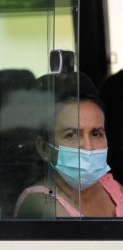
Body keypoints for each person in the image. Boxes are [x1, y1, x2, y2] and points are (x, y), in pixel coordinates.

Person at [14, 73, 123, 218]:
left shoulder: (112, 188)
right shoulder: (43, 204)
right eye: (72, 134)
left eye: (96, 134)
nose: (88, 146)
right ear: (45, 148)